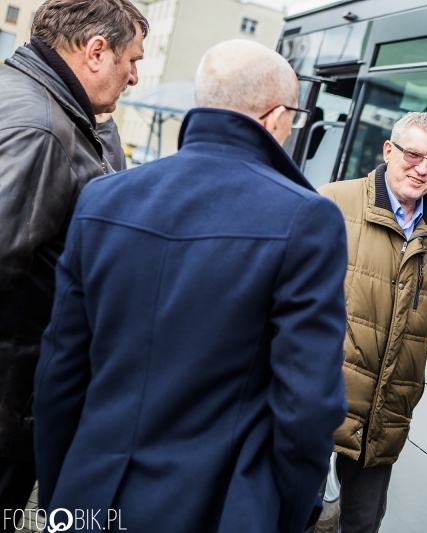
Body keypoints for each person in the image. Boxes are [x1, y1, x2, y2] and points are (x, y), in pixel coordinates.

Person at [34, 39, 348, 533]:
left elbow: (59, 374)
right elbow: (307, 407)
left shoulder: (103, 199)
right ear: (274, 117)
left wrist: (64, 498)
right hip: (217, 507)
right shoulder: (307, 219)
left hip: (90, 493)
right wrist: (284, 515)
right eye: (296, 119)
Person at [0, 0, 147, 521]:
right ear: (95, 51)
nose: (133, 77)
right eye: (132, 60)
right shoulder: (43, 130)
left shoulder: (26, 96)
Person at [318, 111, 427, 533]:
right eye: (414, 155)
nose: (422, 169)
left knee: (362, 524)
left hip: (384, 416)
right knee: (288, 511)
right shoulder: (332, 204)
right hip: (316, 401)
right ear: (388, 150)